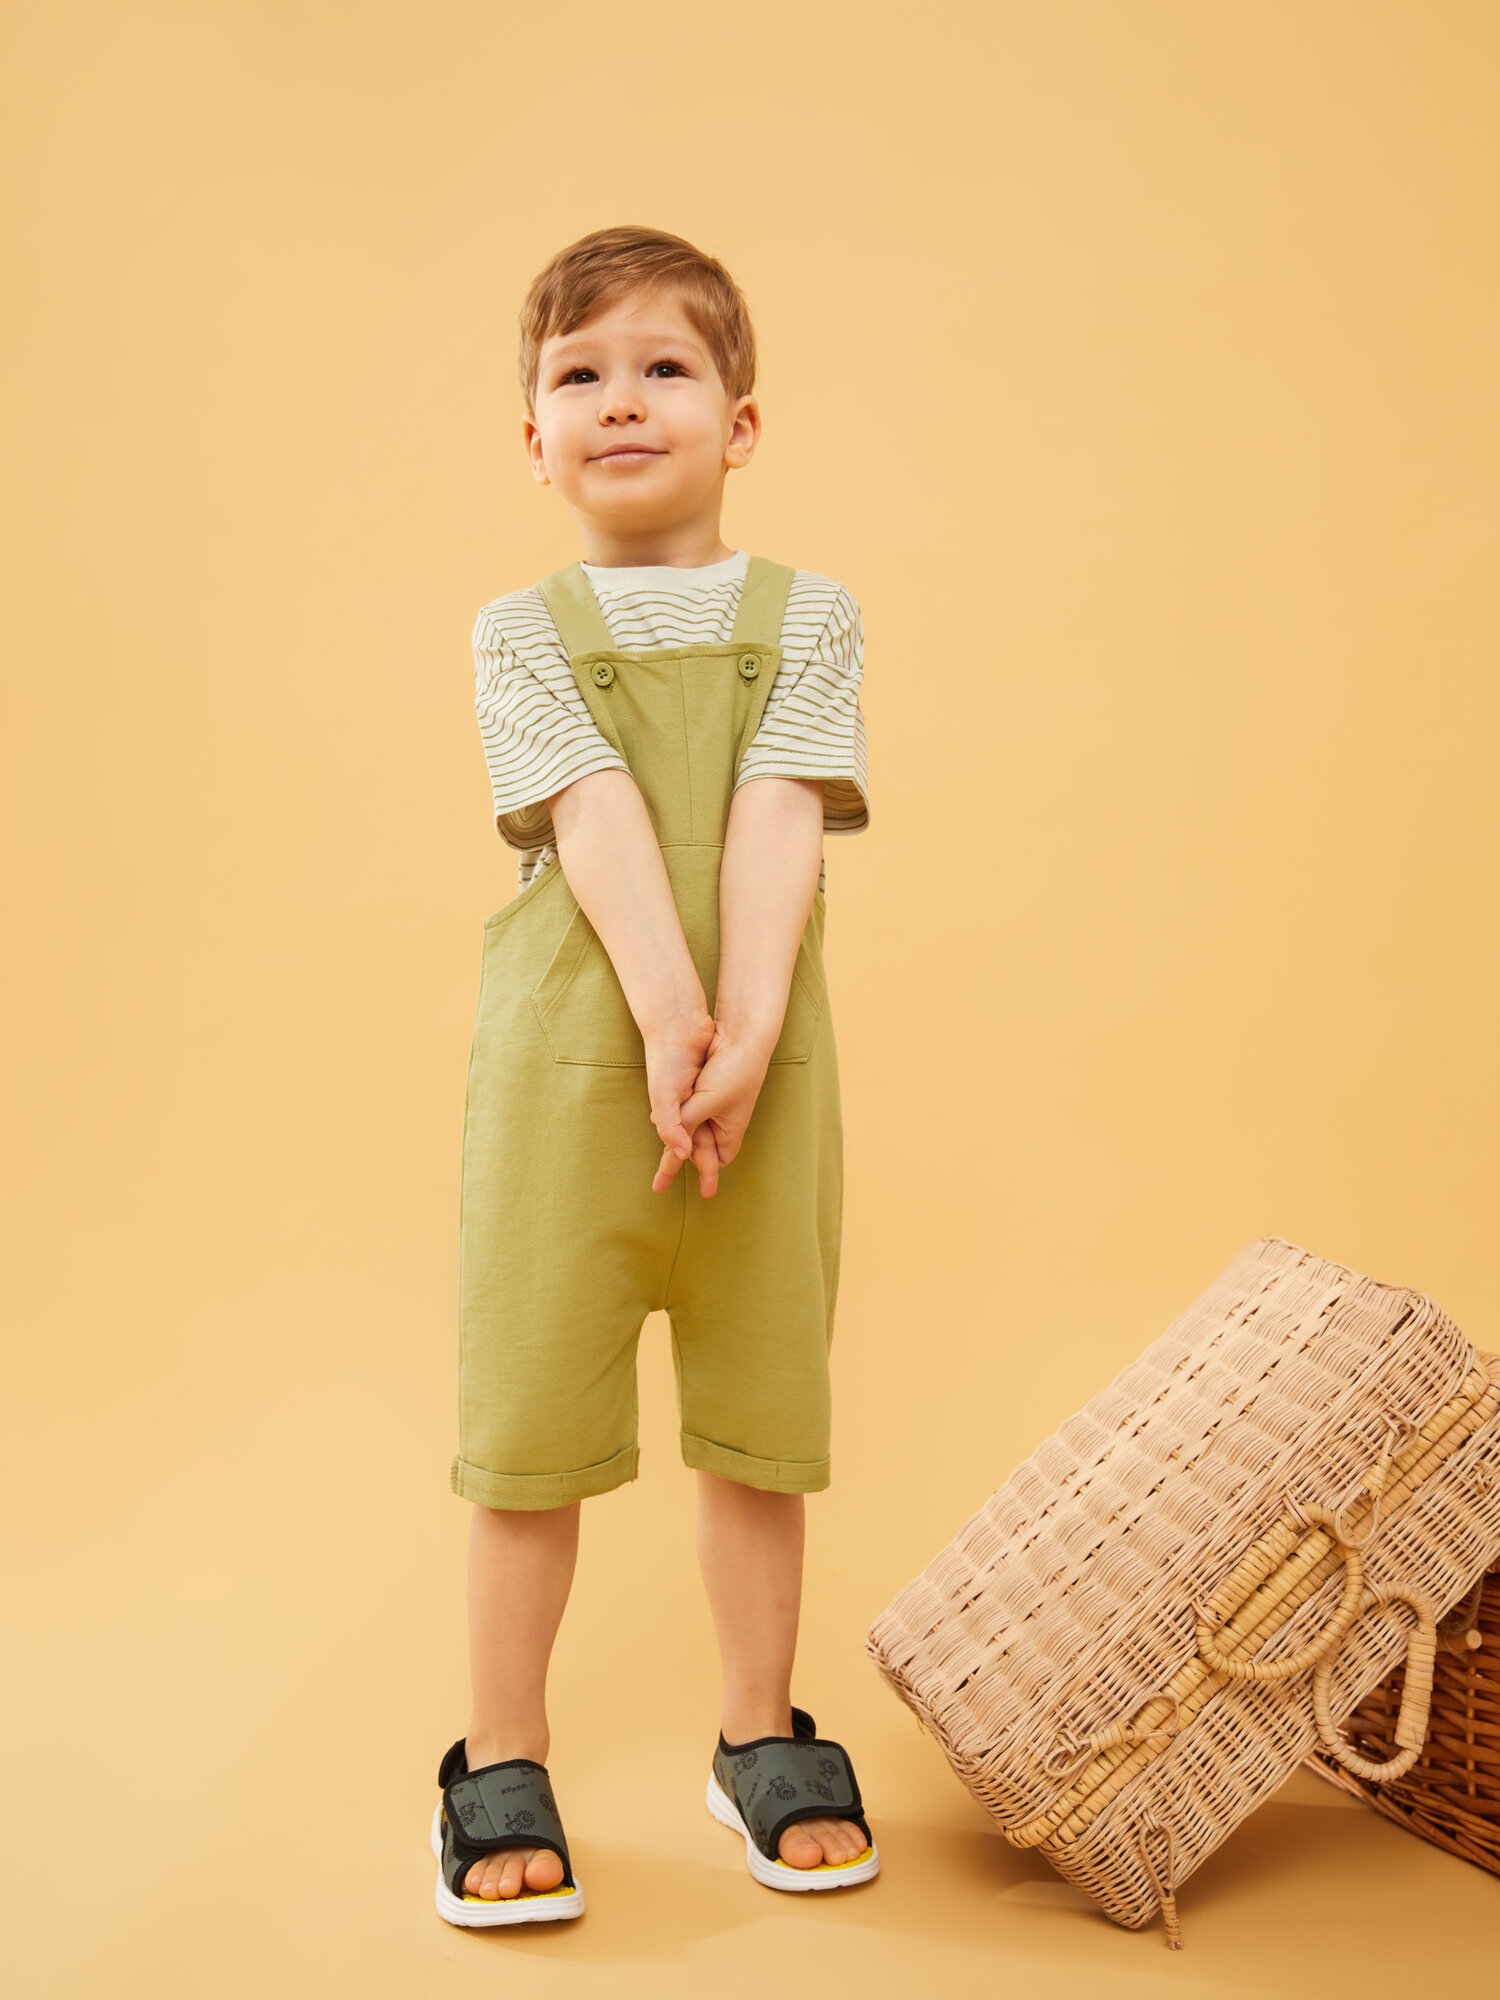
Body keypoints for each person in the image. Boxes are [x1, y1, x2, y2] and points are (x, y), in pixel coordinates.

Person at [431, 226, 878, 1928]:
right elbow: (596, 818)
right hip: (568, 1084)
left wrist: (748, 1031)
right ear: (533, 437)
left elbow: (780, 813)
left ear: (740, 422)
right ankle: (499, 1754)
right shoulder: (519, 631)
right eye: (580, 375)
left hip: (767, 1073)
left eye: (664, 367)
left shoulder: (811, 617)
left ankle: (761, 1732)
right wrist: (679, 1019)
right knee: (529, 1423)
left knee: (761, 1418)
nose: (621, 400)